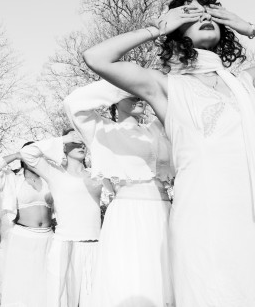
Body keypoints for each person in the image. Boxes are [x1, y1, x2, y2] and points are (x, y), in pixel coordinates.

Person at [82, 0, 255, 306]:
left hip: (250, 212)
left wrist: (249, 26)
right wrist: (156, 29)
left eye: (209, 12)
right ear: (177, 29)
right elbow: (96, 58)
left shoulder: (246, 83)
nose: (204, 18)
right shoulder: (164, 86)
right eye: (191, 14)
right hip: (201, 212)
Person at [63, 80, 175, 307]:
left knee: (166, 278)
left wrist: (148, 85)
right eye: (130, 94)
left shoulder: (159, 128)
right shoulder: (102, 131)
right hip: (128, 215)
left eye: (140, 93)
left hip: (165, 213)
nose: (138, 96)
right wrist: (127, 81)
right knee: (129, 277)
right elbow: (73, 103)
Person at [19, 129, 102, 307]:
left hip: (95, 245)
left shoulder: (97, 174)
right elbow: (27, 153)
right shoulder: (54, 172)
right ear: (63, 148)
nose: (80, 144)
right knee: (60, 300)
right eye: (75, 140)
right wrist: (64, 138)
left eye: (82, 141)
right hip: (65, 244)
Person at [0, 142, 53, 307]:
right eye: (31, 154)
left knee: (46, 286)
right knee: (22, 286)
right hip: (23, 238)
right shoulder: (12, 178)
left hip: (49, 237)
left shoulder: (49, 177)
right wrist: (15, 155)